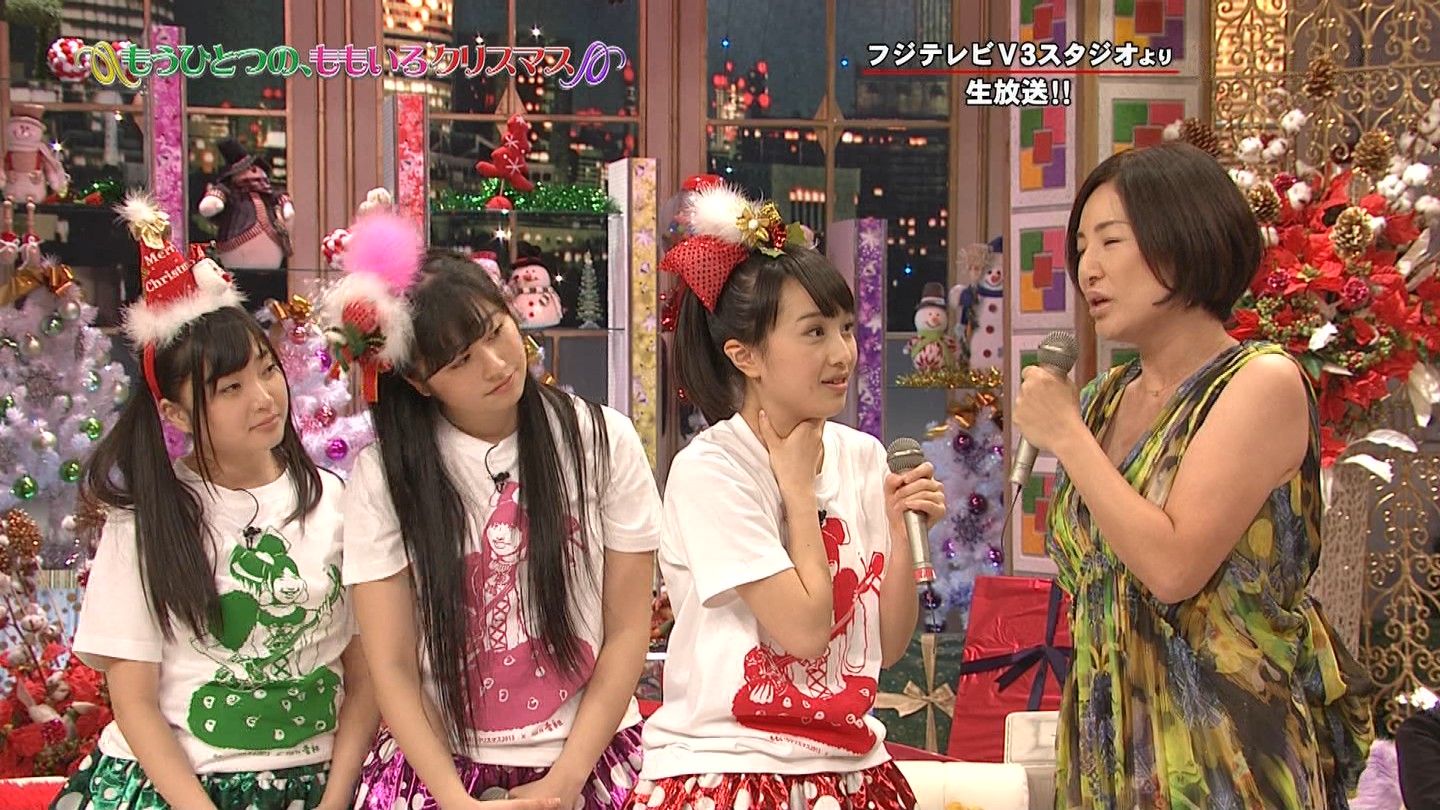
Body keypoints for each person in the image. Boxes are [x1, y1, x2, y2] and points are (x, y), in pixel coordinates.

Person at [1012, 142, 1373, 808]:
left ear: (1185, 238)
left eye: (1111, 241)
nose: (1089, 268)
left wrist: (1065, 436)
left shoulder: (1261, 382)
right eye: (1081, 247)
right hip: (1105, 750)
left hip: (1222, 758)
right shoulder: (1101, 399)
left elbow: (1174, 566)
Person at [325, 212, 659, 810]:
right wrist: (455, 800)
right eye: (459, 360)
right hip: (436, 771)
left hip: (589, 758)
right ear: (419, 381)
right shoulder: (386, 476)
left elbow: (629, 629)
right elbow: (393, 665)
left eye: (495, 331)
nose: (497, 364)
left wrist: (564, 782)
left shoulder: (603, 439)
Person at [627, 183, 945, 809]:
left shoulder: (864, 456)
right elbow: (802, 631)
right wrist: (798, 491)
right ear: (745, 355)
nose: (842, 353)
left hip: (852, 766)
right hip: (730, 769)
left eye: (846, 329)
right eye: (814, 332)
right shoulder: (712, 470)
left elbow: (887, 645)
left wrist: (903, 532)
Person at [52, 194, 375, 809]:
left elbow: (366, 678)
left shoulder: (336, 501)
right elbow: (135, 702)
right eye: (230, 388)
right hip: (177, 788)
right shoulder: (146, 518)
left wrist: (334, 801)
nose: (264, 398)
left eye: (267, 370)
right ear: (174, 412)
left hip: (317, 781)